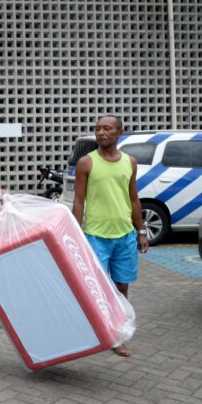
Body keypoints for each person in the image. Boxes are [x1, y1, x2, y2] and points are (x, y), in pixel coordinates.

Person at [72, 115, 149, 357]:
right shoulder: (86, 162)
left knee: (121, 287)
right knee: (95, 287)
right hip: (96, 236)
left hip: (124, 236)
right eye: (97, 129)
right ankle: (95, 331)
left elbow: (133, 198)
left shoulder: (130, 162)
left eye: (107, 128)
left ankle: (117, 335)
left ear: (120, 133)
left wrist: (141, 231)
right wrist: (75, 234)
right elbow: (78, 201)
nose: (101, 133)